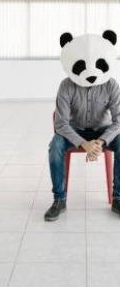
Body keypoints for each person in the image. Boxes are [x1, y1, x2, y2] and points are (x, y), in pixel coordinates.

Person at [45, 30, 120, 221]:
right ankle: (59, 199)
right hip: (74, 130)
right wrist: (83, 143)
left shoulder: (111, 85)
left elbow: (119, 120)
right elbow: (60, 123)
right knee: (54, 147)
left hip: (102, 131)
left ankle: (118, 198)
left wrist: (101, 142)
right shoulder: (66, 86)